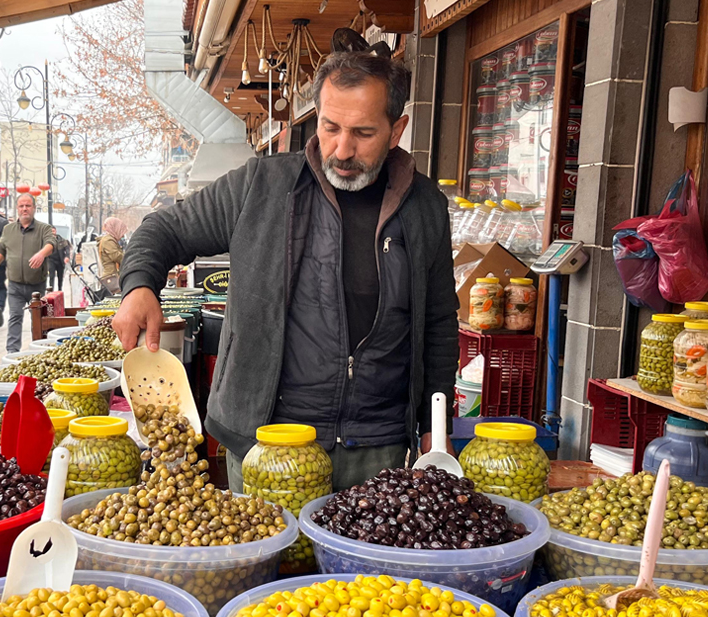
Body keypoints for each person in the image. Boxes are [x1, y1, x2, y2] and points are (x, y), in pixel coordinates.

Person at [114, 44, 459, 491]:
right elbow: (163, 230)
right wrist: (139, 285)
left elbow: (438, 324)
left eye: (363, 133)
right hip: (267, 445)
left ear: (397, 131)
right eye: (330, 127)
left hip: (377, 450)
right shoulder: (260, 186)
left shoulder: (425, 208)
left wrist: (437, 420)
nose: (342, 148)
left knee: (363, 565)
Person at [0, 192, 57, 353]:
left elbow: (51, 243)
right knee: (15, 317)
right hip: (15, 285)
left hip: (37, 285)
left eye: (28, 206)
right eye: (21, 206)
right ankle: (12, 352)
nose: (25, 209)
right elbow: (1, 248)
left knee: (38, 320)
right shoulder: (8, 229)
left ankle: (40, 349)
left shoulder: (43, 228)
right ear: (17, 208)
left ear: (34, 208)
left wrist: (41, 254)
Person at [97, 217, 126, 294]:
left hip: (113, 277)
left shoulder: (110, 239)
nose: (123, 235)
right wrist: (129, 257)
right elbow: (116, 256)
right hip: (111, 278)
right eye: (120, 230)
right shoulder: (108, 240)